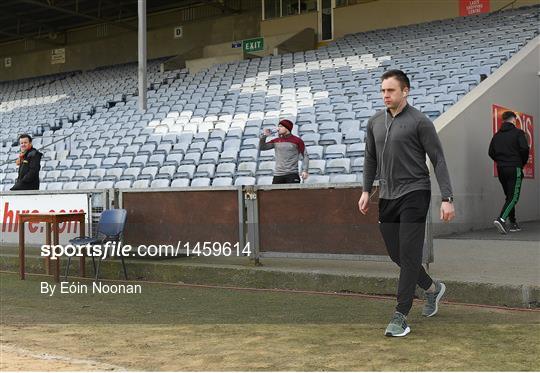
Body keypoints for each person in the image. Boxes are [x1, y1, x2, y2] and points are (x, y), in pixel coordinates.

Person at [357, 69, 455, 337]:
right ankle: (433, 289)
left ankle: (400, 315)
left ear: (405, 91)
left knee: (410, 253)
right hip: (387, 195)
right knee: (396, 253)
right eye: (383, 90)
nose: (385, 95)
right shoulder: (374, 122)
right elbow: (370, 159)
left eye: (390, 90)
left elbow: (439, 160)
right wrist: (366, 190)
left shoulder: (420, 122)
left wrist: (447, 197)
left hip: (415, 192)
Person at [488, 111, 530, 234]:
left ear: (503, 120)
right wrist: (521, 163)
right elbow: (524, 149)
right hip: (514, 167)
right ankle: (501, 219)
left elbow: (491, 152)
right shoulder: (518, 133)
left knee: (509, 196)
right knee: (514, 197)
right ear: (514, 120)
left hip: (501, 169)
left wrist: (501, 161)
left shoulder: (496, 136)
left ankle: (513, 223)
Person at [259, 119, 309, 184]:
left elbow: (305, 155)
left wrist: (305, 170)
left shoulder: (297, 140)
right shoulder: (276, 140)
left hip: (292, 174)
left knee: (292, 194)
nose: (278, 128)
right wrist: (264, 136)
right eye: (278, 126)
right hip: (278, 175)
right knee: (275, 194)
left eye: (281, 126)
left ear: (287, 128)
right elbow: (262, 147)